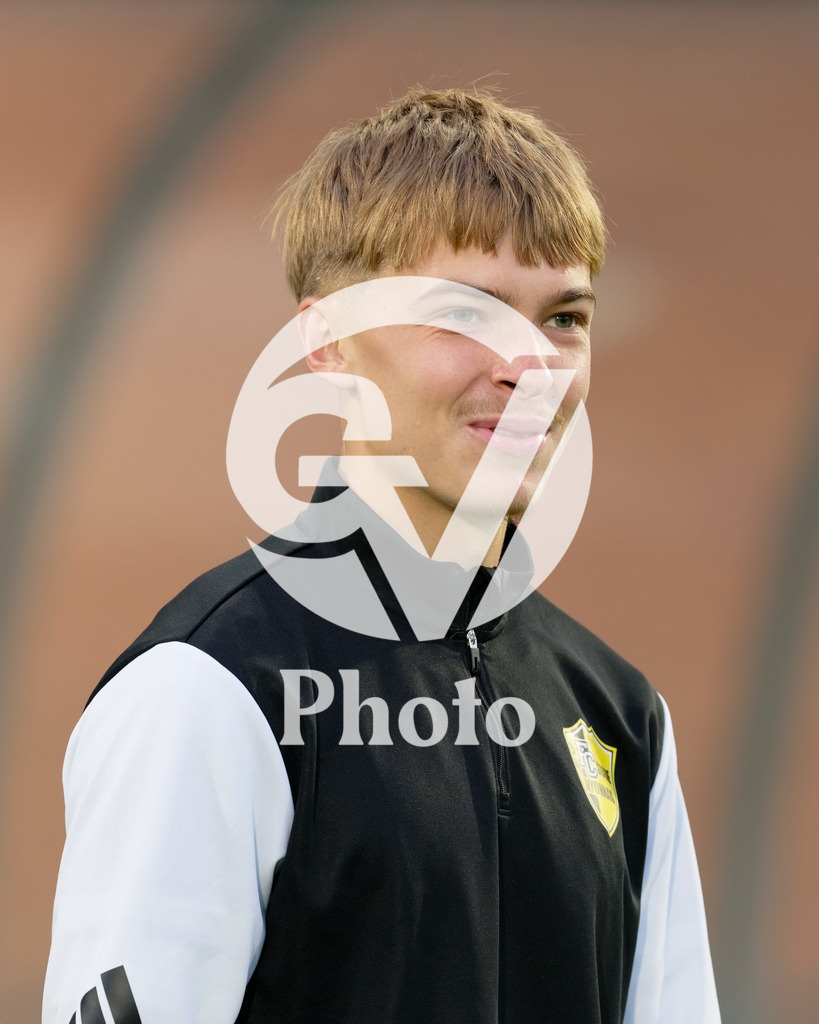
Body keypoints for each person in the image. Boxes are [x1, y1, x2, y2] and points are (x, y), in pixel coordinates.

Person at [43, 87, 721, 1024]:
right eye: (467, 315)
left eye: (564, 318)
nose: (529, 367)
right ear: (325, 343)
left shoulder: (620, 715)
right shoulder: (207, 690)